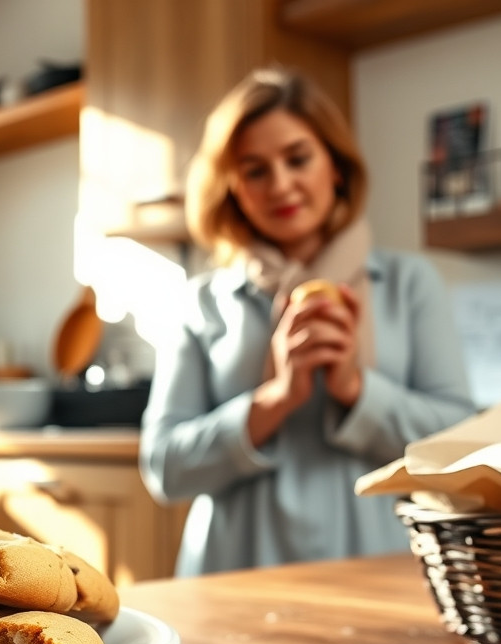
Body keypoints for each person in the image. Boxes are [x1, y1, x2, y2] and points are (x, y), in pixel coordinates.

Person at [139, 67, 475, 575]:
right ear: (233, 189)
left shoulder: (410, 283)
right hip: (232, 577)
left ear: (335, 167)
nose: (281, 184)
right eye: (254, 170)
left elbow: (456, 448)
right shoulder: (201, 302)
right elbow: (164, 469)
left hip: (379, 576)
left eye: (298, 158)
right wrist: (275, 398)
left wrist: (355, 389)